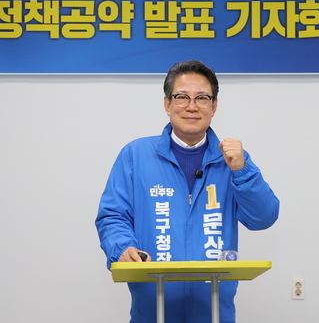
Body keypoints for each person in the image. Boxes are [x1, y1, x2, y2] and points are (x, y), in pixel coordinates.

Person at [95, 60, 279, 323]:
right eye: (182, 97)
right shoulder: (135, 155)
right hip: (152, 310)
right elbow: (112, 216)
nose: (192, 106)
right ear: (167, 104)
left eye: (202, 98)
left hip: (214, 311)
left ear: (214, 106)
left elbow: (263, 218)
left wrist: (243, 170)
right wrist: (123, 248)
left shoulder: (233, 160)